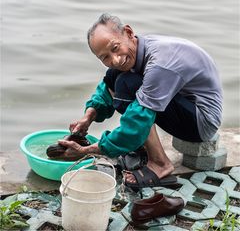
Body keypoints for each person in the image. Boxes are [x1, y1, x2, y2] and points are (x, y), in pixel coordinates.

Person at [58, 13, 223, 188]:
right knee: (118, 74)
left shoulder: (160, 63)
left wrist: (91, 150)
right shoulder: (137, 48)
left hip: (200, 123)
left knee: (128, 84)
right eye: (104, 57)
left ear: (128, 32)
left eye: (114, 48)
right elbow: (107, 85)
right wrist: (88, 116)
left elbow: (138, 121)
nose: (114, 59)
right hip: (182, 106)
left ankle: (160, 164)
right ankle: (141, 148)